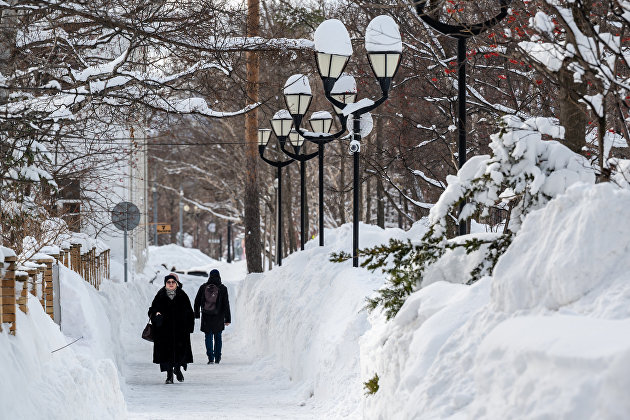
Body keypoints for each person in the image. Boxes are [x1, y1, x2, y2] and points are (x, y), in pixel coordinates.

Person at [148, 273, 194, 384]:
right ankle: (169, 375)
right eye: (169, 282)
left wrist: (189, 327)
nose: (171, 284)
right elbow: (152, 309)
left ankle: (177, 370)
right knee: (166, 354)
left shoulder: (182, 295)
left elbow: (189, 311)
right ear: (165, 284)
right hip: (164, 331)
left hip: (180, 331)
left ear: (176, 283)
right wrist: (156, 313)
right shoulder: (160, 295)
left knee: (179, 353)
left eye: (173, 282)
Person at [194, 269, 231, 364]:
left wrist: (197, 313)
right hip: (218, 316)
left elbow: (197, 301)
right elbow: (226, 304)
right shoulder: (223, 288)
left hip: (206, 316)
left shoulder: (203, 287)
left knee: (208, 336)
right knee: (218, 336)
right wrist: (227, 319)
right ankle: (217, 357)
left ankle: (210, 358)